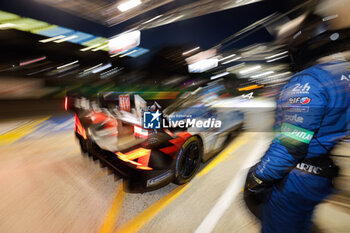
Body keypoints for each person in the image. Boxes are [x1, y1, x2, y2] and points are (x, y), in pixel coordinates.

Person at [245, 2, 350, 233]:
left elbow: (291, 145)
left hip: (296, 179)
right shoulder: (344, 77)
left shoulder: (307, 83)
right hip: (323, 175)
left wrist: (258, 177)